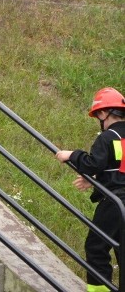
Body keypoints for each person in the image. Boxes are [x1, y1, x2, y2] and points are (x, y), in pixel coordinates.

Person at [55, 87, 125, 292]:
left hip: (115, 203)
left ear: (104, 113)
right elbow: (118, 169)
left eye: (97, 116)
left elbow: (93, 163)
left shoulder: (107, 137)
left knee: (96, 247)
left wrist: (72, 155)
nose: (99, 120)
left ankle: (99, 290)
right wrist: (96, 180)